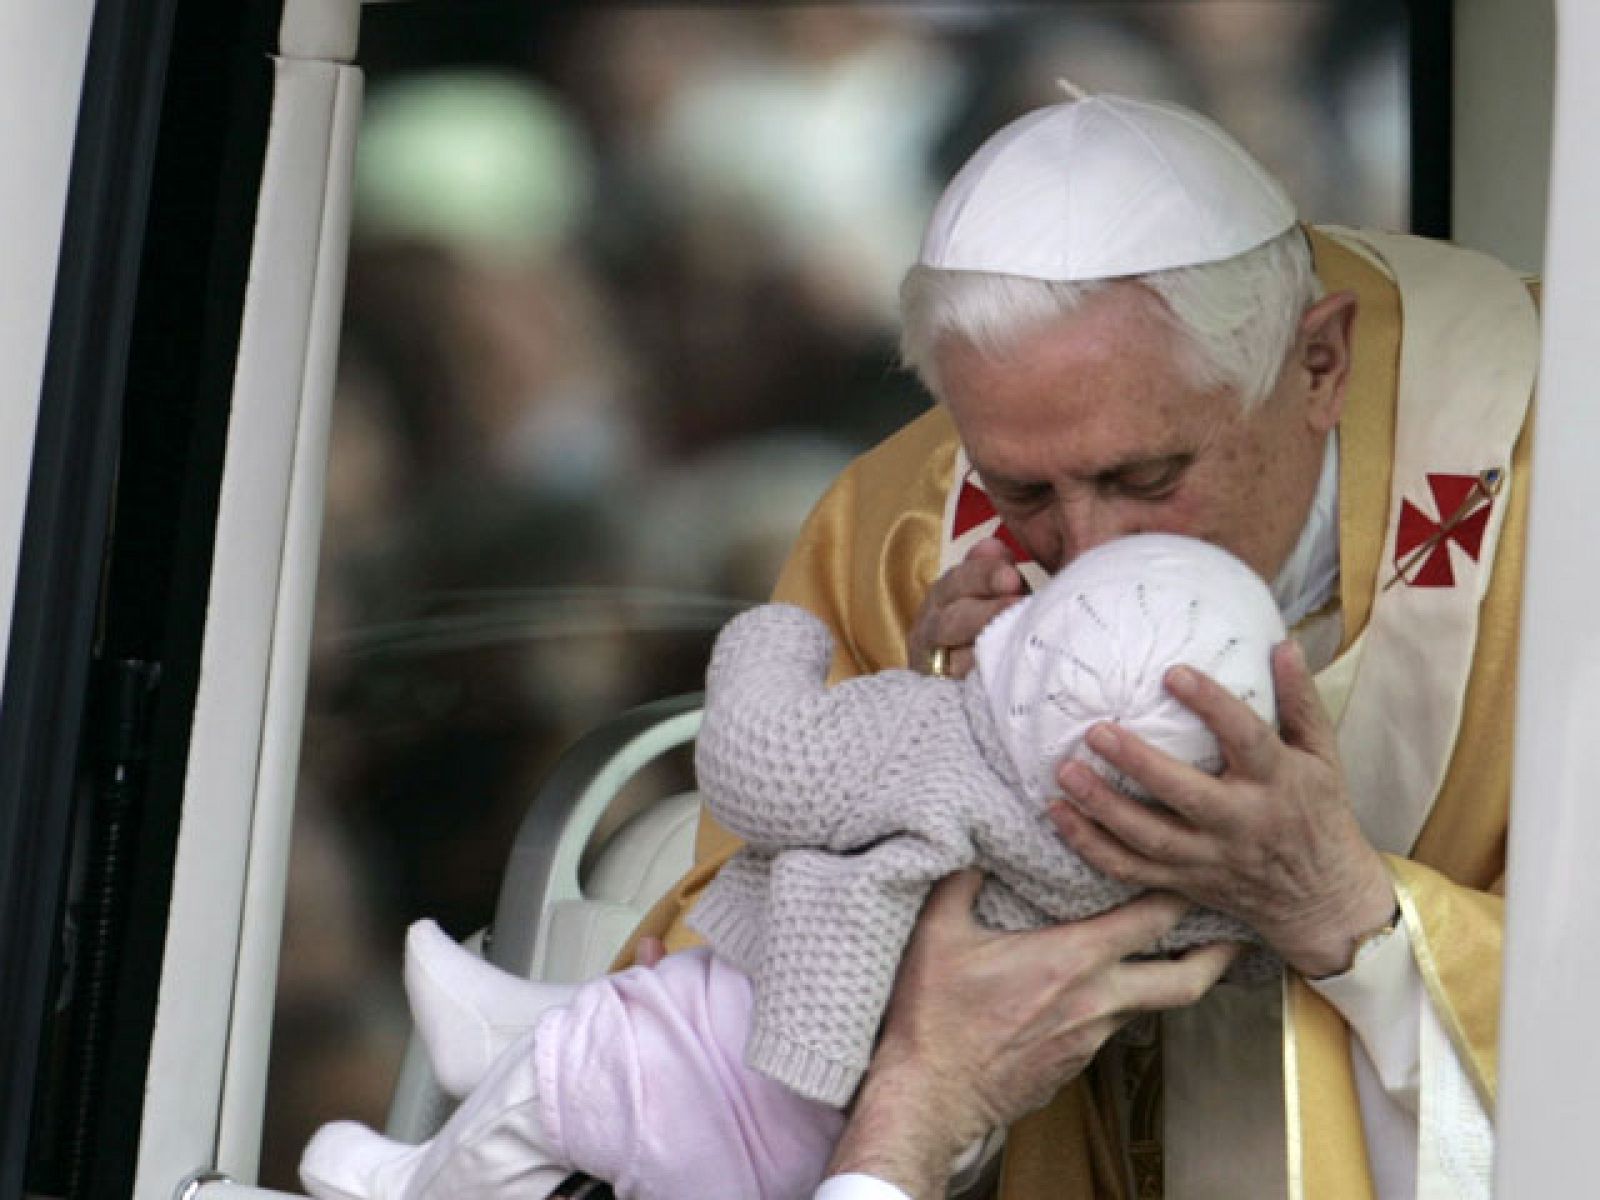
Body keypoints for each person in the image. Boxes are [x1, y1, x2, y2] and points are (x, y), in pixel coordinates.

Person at [622, 88, 1534, 1199]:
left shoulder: (1558, 501)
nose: (1089, 549)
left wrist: (1353, 918)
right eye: (1020, 490)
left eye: (1146, 479)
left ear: (1318, 367)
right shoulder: (901, 534)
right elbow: (704, 1020)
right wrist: (933, 776)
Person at [297, 534, 1284, 1200]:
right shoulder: (1166, 868)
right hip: (830, 1120)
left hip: (751, 1075)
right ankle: (511, 1027)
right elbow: (1240, 939)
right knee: (636, 1012)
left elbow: (758, 769)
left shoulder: (929, 737)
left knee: (565, 1085)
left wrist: (780, 639)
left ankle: (419, 1180)